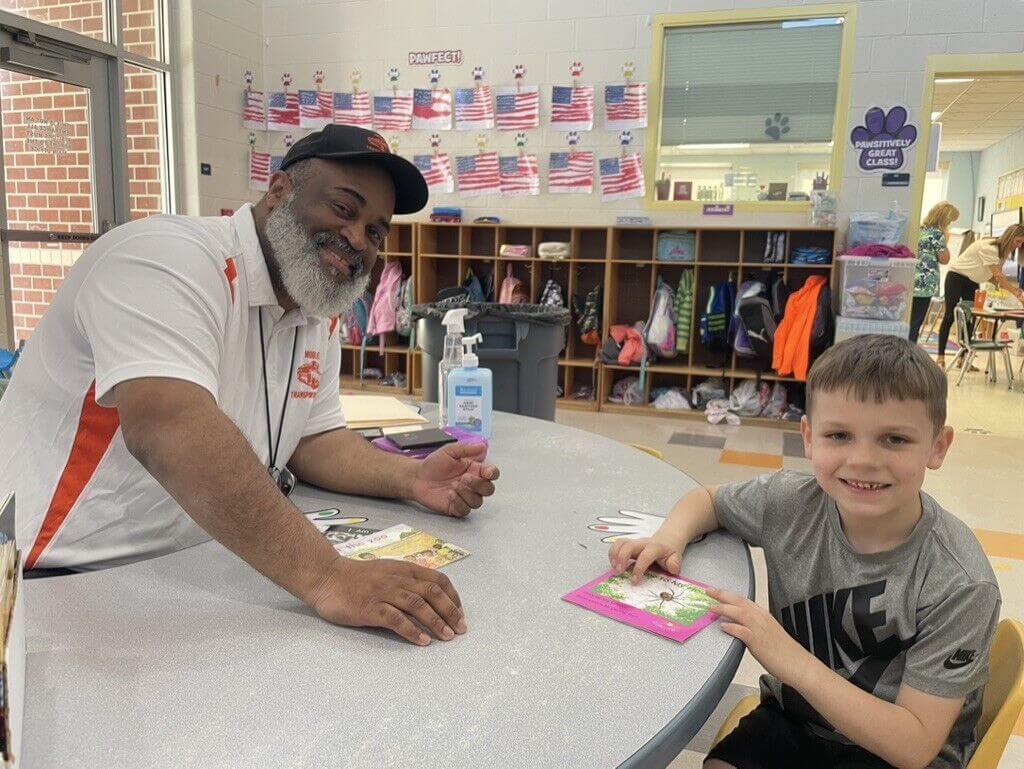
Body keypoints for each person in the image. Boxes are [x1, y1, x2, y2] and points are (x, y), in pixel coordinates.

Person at [0, 125, 500, 647]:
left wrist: (411, 478)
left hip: (197, 565)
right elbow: (170, 430)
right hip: (57, 581)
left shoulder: (316, 308)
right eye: (343, 209)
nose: (357, 240)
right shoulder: (166, 258)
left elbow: (314, 441)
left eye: (376, 231)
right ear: (280, 191)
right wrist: (328, 575)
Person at [610, 335, 1000, 769]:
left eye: (894, 439)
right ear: (809, 438)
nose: (864, 459)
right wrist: (670, 537)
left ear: (938, 447)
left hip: (892, 752)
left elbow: (915, 745)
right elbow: (708, 501)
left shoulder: (959, 581)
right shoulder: (791, 502)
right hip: (799, 719)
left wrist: (788, 658)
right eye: (839, 435)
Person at [936, 223, 1024, 368]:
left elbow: (994, 277)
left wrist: (1004, 293)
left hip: (972, 281)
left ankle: (963, 359)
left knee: (971, 318)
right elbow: (998, 275)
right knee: (950, 316)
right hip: (956, 277)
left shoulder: (1002, 253)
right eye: (1018, 241)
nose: (1019, 245)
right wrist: (1015, 292)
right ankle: (940, 357)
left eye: (1021, 243)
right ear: (1010, 237)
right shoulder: (990, 247)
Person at [910, 202, 959, 344]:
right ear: (945, 220)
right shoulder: (937, 234)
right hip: (924, 285)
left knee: (908, 321)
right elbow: (944, 259)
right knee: (915, 324)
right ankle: (909, 356)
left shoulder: (919, 230)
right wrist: (946, 241)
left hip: (911, 279)